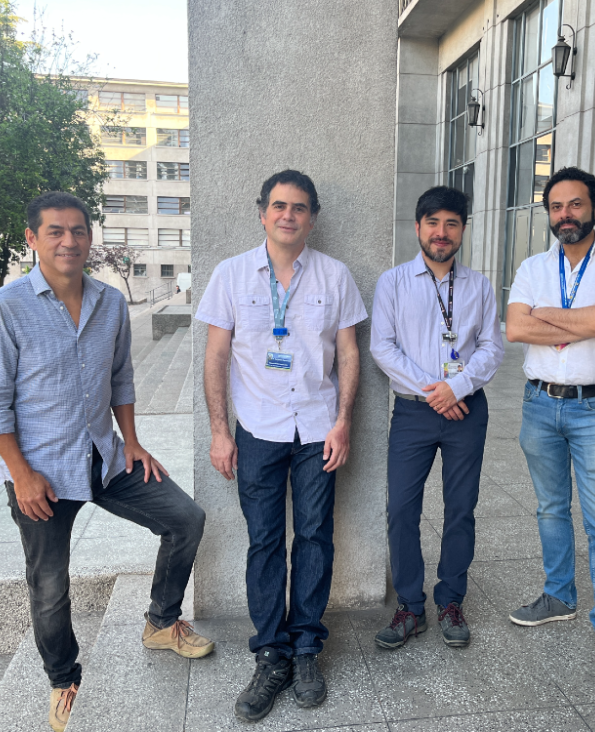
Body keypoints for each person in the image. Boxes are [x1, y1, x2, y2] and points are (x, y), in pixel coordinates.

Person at [0, 192, 213, 732]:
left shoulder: (109, 302)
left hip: (104, 458)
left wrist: (131, 440)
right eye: (55, 231)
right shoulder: (5, 309)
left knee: (186, 519)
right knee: (51, 584)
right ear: (32, 239)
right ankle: (63, 680)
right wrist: (21, 472)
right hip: (40, 474)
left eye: (79, 230)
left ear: (90, 237)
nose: (69, 241)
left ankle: (161, 621)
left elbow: (122, 378)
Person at [197, 169, 366, 722]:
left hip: (317, 428)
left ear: (311, 216)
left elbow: (348, 354)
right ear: (262, 213)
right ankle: (271, 652)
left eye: (298, 207)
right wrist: (221, 432)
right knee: (264, 542)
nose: (288, 215)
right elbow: (216, 359)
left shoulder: (335, 276)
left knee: (315, 537)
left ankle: (308, 647)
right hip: (258, 431)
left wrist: (343, 422)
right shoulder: (230, 275)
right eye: (278, 206)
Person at [505, 167, 595, 677]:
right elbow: (515, 327)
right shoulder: (532, 266)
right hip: (540, 403)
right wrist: (581, 317)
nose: (566, 215)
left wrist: (549, 315)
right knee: (549, 508)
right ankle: (558, 596)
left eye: (576, 205)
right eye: (557, 207)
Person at [370, 187, 503, 650]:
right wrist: (436, 391)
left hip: (467, 410)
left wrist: (457, 388)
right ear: (417, 227)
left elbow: (491, 347)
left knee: (460, 509)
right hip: (413, 412)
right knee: (402, 509)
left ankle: (450, 600)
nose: (441, 233)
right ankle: (410, 605)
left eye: (451, 223)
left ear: (463, 229)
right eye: (432, 223)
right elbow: (382, 347)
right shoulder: (393, 282)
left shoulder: (479, 285)